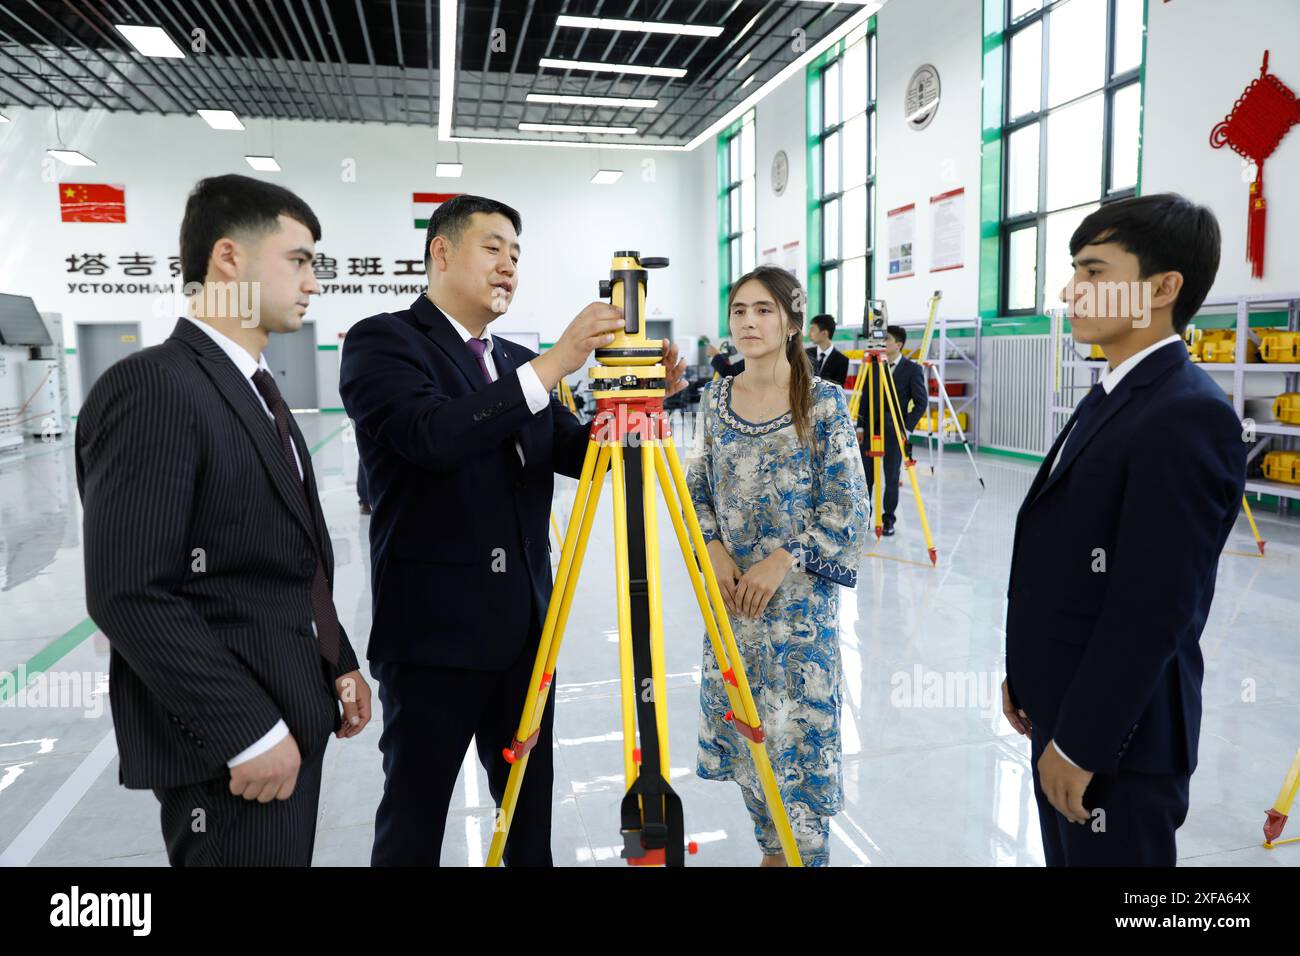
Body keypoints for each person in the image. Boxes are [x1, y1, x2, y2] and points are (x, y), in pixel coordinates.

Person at [339, 195, 686, 866]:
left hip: (527, 633)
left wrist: (640, 401)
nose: (508, 267)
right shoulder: (384, 342)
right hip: (434, 641)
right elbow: (433, 437)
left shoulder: (519, 361)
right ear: (442, 253)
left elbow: (579, 457)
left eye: (517, 256)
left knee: (528, 817)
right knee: (414, 823)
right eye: (493, 249)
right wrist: (557, 362)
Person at [75, 174, 370, 866]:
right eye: (298, 261)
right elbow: (130, 589)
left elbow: (286, 552)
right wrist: (245, 732)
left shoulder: (255, 389)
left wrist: (337, 658)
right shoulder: (157, 386)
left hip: (290, 716)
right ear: (229, 259)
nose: (313, 283)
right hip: (233, 752)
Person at [1001, 193, 1246, 866]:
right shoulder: (1115, 392)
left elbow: (1154, 607)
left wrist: (1081, 743)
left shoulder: (1187, 414)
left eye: (1094, 271)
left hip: (1118, 742)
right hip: (1066, 707)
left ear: (1164, 287)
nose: (1069, 289)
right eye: (1075, 270)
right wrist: (1025, 676)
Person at [687, 264, 867, 867]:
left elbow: (849, 506)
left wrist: (782, 561)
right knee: (748, 744)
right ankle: (774, 851)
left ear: (791, 321)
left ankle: (799, 855)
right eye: (740, 310)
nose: (749, 322)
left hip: (798, 617)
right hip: (734, 606)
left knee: (796, 746)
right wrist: (713, 549)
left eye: (763, 310)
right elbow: (698, 486)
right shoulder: (716, 397)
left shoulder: (823, 402)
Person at [856, 325, 927, 536]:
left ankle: (888, 519)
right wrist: (860, 425)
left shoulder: (913, 370)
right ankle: (864, 517)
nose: (883, 343)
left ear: (899, 344)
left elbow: (921, 402)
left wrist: (905, 427)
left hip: (895, 432)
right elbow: (864, 397)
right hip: (870, 431)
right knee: (866, 478)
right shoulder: (874, 366)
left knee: (891, 477)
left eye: (887, 339)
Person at [806, 314, 849, 386]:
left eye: (812, 329)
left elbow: (838, 389)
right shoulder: (806, 354)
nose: (809, 334)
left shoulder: (842, 360)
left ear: (824, 333)